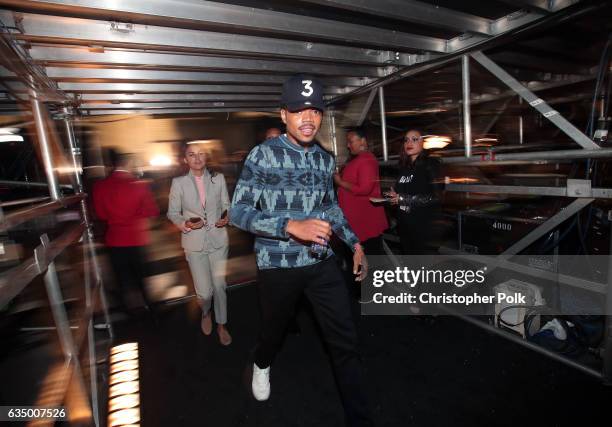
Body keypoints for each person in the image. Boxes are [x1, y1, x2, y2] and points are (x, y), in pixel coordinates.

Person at [230, 74, 372, 427]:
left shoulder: (325, 160)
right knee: (273, 331)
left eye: (315, 111)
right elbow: (238, 212)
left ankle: (359, 420)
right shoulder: (262, 156)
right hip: (278, 265)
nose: (308, 118)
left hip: (322, 261)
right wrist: (289, 226)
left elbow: (331, 207)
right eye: (298, 110)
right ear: (284, 115)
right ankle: (262, 364)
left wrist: (354, 242)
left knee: (345, 341)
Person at [167, 143, 232, 346]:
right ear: (185, 159)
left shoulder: (218, 178)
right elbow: (172, 212)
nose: (197, 158)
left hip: (218, 240)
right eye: (191, 154)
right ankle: (206, 312)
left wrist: (226, 217)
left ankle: (222, 324)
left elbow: (226, 206)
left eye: (201, 154)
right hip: (194, 244)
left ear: (206, 157)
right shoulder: (178, 183)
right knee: (204, 292)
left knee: (220, 286)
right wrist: (184, 224)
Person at [93, 150, 159, 315]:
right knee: (141, 277)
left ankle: (128, 313)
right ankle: (151, 310)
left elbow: (100, 214)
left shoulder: (99, 186)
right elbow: (152, 212)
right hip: (135, 238)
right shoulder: (139, 185)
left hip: (114, 239)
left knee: (121, 278)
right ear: (128, 164)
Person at [385, 129, 442, 255]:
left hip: (424, 227)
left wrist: (403, 199)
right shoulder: (403, 167)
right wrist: (393, 197)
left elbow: (436, 197)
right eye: (406, 140)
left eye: (414, 139)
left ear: (423, 143)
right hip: (405, 226)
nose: (409, 143)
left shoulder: (431, 164)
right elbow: (401, 194)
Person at [334, 127, 388, 255]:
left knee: (371, 259)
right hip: (358, 221)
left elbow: (365, 189)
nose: (348, 145)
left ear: (362, 141)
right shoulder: (359, 159)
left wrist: (340, 182)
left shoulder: (367, 160)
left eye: (350, 141)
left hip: (365, 222)